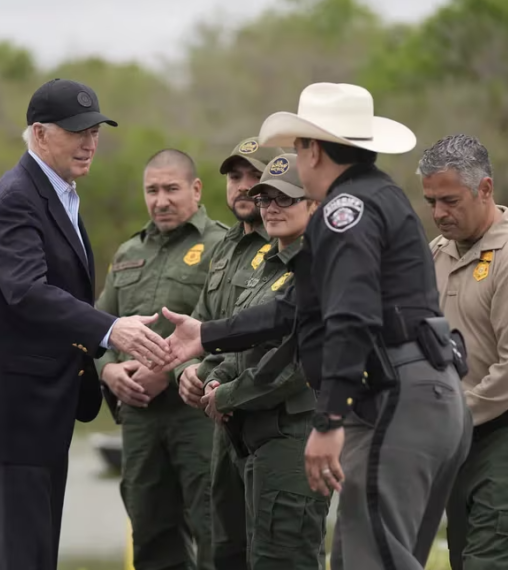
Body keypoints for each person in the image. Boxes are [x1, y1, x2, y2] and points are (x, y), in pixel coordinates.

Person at [157, 82, 472, 570]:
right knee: (357, 558)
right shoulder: (373, 197)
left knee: (373, 560)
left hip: (398, 395)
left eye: (297, 147)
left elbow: (350, 318)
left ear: (314, 150)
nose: (295, 160)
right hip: (420, 392)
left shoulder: (347, 212)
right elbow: (295, 308)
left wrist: (328, 420)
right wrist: (205, 335)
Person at [0, 78, 170, 570]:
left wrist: (99, 365)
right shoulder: (16, 197)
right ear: (39, 134)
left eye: (95, 130)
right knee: (24, 559)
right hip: (10, 414)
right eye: (77, 131)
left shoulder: (59, 194)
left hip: (39, 412)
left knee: (35, 557)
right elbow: (28, 293)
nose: (89, 142)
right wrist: (110, 330)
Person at [418, 134, 508, 570]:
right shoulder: (437, 254)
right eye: (431, 202)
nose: (439, 213)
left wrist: (448, 417)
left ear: (485, 189)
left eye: (449, 200)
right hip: (459, 440)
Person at [94, 149, 228, 570]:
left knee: (215, 530)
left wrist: (166, 373)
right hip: (140, 420)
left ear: (196, 189)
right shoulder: (129, 250)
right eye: (152, 190)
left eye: (171, 189)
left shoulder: (222, 245)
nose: (161, 200)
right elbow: (98, 326)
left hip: (198, 416)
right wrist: (109, 370)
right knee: (150, 532)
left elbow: (230, 328)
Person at [200, 153, 331, 569]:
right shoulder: (266, 265)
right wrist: (215, 379)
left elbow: (294, 364)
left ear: (314, 204)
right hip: (253, 441)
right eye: (264, 198)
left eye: (285, 198)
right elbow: (243, 341)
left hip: (295, 439)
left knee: (285, 558)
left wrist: (229, 396)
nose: (271, 207)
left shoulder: (320, 268)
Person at [174, 136, 281, 570]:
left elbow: (275, 341)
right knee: (226, 551)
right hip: (222, 426)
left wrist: (222, 384)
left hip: (271, 421)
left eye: (255, 177)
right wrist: (188, 371)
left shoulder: (285, 246)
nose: (242, 187)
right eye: (235, 177)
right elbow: (200, 325)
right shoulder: (225, 249)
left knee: (276, 551)